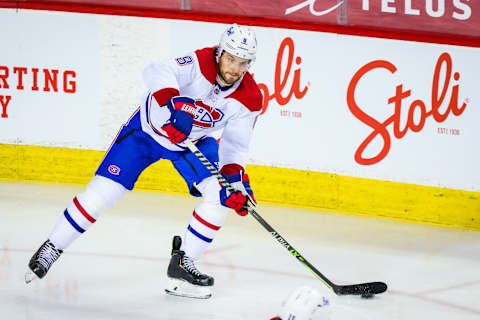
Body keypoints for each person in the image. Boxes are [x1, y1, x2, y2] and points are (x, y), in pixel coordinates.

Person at [25, 23, 262, 299]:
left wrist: (235, 183)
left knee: (221, 196)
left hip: (191, 144)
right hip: (147, 133)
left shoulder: (250, 98)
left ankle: (183, 263)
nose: (234, 68)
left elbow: (235, 147)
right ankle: (52, 246)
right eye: (231, 58)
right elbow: (157, 70)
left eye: (242, 63)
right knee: (103, 194)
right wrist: (173, 104)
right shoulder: (198, 62)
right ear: (220, 52)